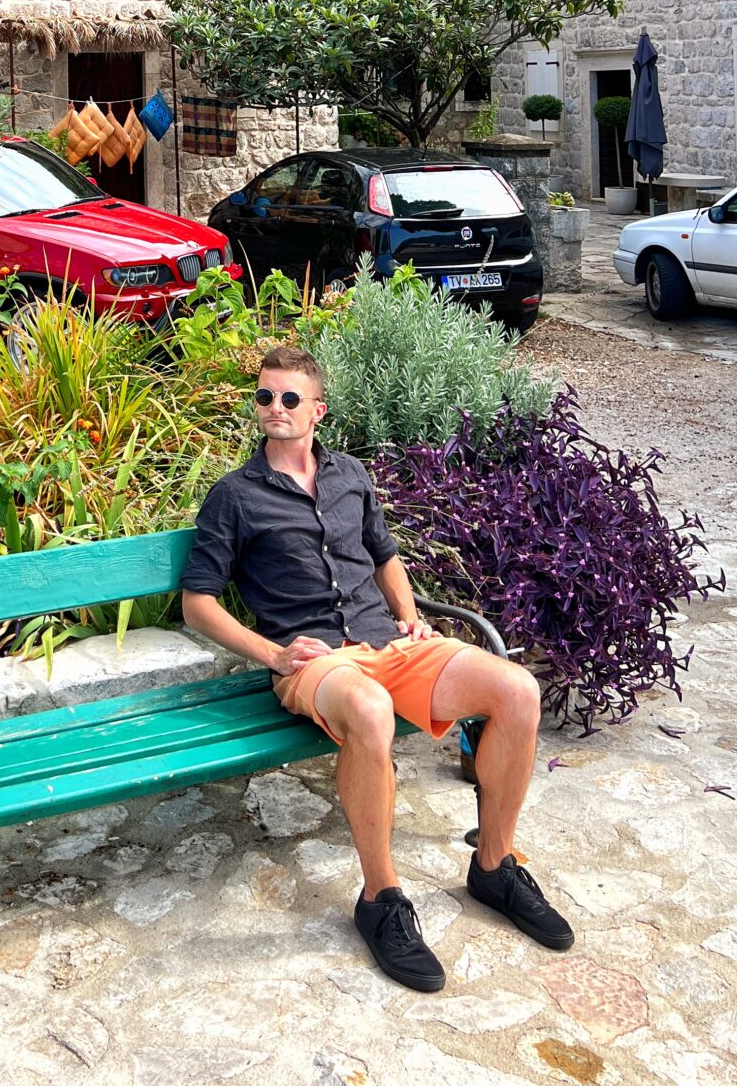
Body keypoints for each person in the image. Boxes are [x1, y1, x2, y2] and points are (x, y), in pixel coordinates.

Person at [180, 345, 573, 992]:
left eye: (288, 398)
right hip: (315, 661)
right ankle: (381, 899)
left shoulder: (350, 477)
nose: (273, 408)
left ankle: (495, 866)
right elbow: (198, 603)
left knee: (517, 689)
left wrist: (409, 612)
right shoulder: (235, 497)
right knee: (369, 708)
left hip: (388, 643)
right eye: (263, 397)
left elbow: (384, 555)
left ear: (317, 412)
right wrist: (274, 654)